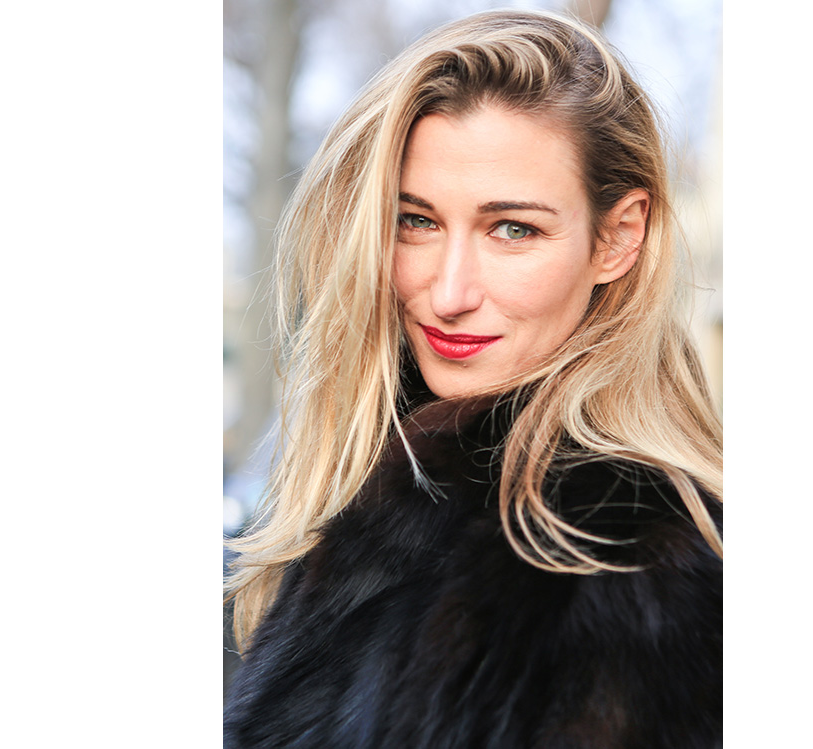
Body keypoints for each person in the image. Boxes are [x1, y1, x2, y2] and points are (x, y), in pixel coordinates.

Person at [224, 9, 722, 748]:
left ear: (617, 239)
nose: (449, 292)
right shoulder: (379, 487)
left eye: (513, 229)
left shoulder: (629, 553)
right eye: (416, 221)